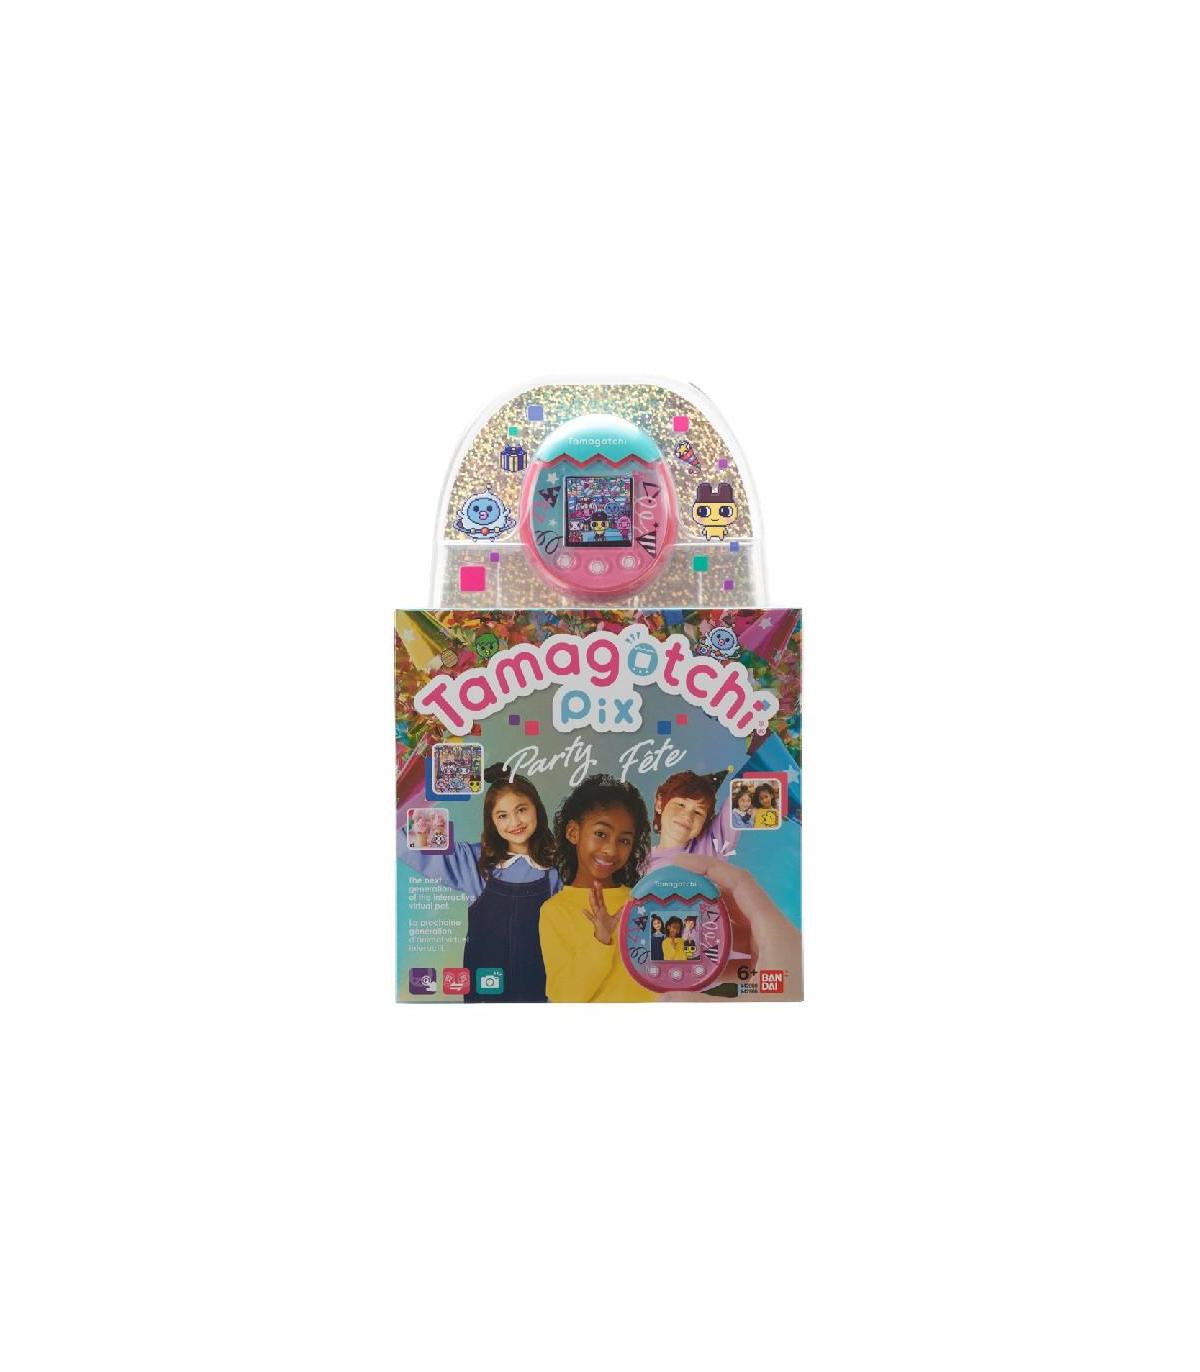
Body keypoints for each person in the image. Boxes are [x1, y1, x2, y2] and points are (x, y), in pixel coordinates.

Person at [397, 763, 558, 1002]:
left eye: (522, 809)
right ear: (492, 821)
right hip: (484, 996)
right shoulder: (472, 861)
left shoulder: (558, 868)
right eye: (502, 815)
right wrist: (466, 779)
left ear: (537, 808)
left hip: (541, 997)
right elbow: (401, 829)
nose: (514, 821)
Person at [538, 775, 656, 1003]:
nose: (611, 850)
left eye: (624, 840)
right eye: (601, 834)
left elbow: (673, 971)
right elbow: (564, 998)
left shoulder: (644, 901)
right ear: (573, 832)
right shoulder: (555, 911)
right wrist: (601, 939)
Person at [647, 770, 736, 870]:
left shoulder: (712, 846)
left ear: (704, 822)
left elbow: (744, 793)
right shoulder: (639, 862)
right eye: (680, 805)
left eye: (698, 812)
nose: (687, 816)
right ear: (659, 804)